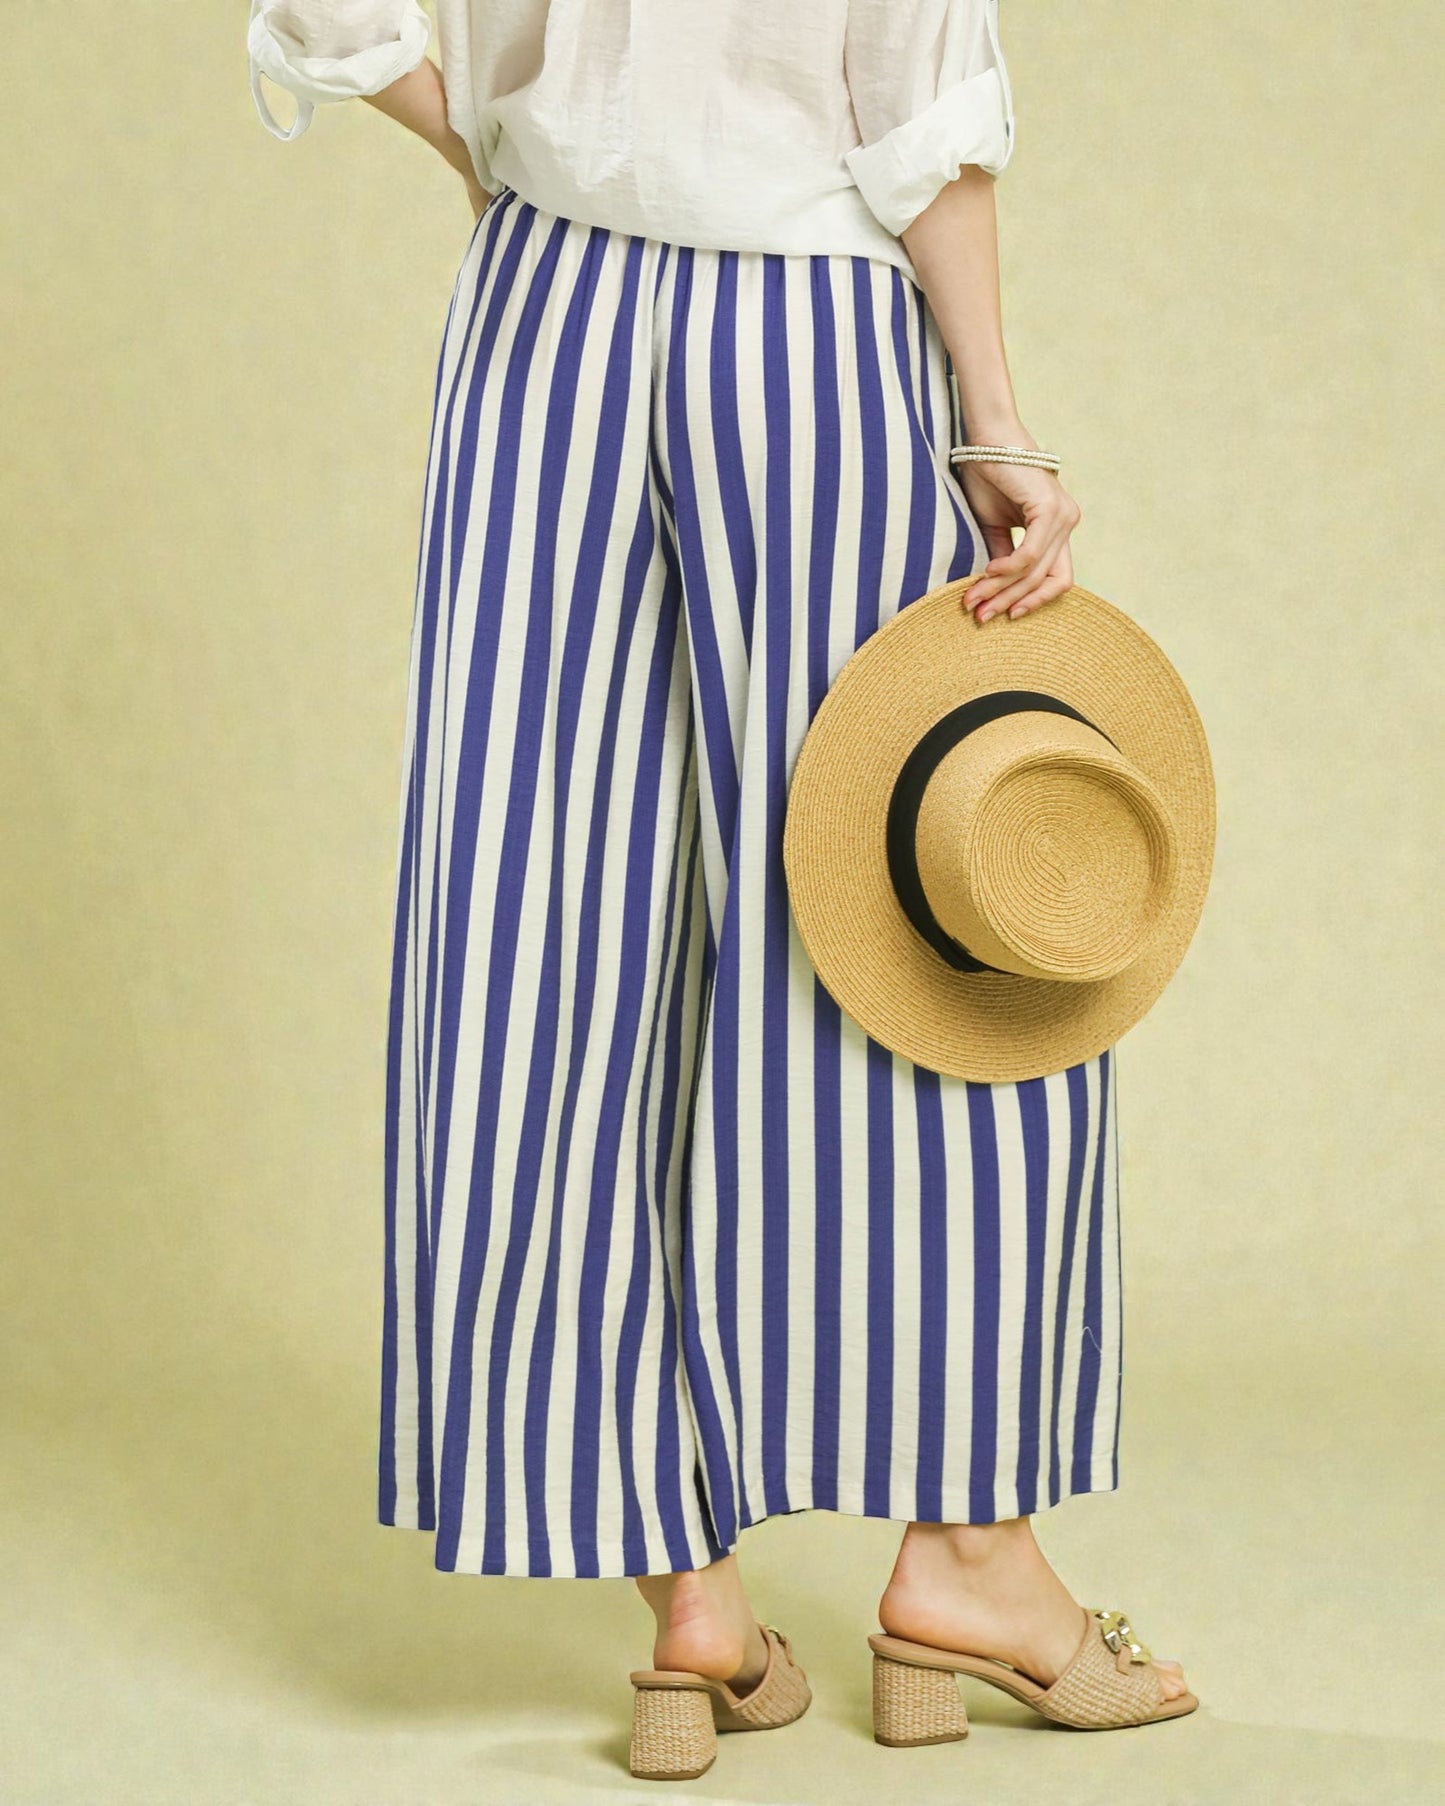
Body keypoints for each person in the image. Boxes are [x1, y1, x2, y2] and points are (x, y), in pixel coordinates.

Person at [246, 0, 1192, 1770]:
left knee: (539, 925)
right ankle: (969, 1553)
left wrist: (530, 165)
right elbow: (919, 106)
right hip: (807, 327)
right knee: (920, 911)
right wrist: (998, 425)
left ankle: (685, 1602)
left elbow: (335, 14)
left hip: (542, 318)